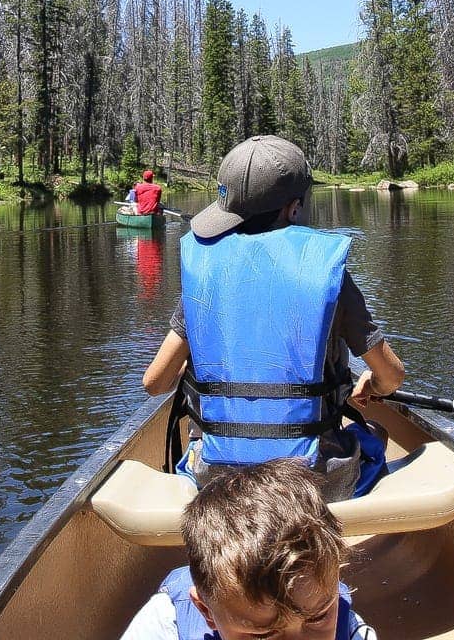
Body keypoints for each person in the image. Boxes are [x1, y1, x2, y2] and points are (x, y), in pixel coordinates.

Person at [141, 135, 405, 501]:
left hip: (217, 481)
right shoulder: (326, 276)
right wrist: (373, 386)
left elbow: (155, 383)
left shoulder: (207, 279)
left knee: (195, 455)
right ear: (294, 209)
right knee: (375, 434)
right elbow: (392, 375)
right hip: (309, 483)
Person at [118, 459, 377, 640]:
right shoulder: (166, 625)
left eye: (318, 618)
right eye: (262, 636)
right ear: (206, 611)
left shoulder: (350, 630)